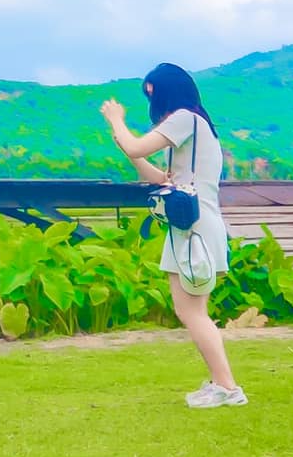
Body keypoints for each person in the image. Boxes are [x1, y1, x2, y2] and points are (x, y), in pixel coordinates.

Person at [100, 64, 245, 407]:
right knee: (191, 309)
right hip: (188, 226)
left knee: (192, 311)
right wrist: (125, 145)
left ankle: (227, 387)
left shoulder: (184, 118)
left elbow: (138, 147)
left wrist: (117, 120)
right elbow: (158, 175)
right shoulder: (192, 125)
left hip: (195, 227)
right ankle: (220, 383)